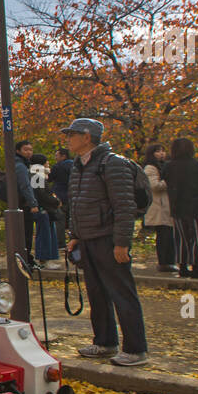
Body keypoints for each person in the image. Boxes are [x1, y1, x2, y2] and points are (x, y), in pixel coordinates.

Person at [62, 117, 148, 366]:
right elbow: (75, 203)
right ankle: (105, 342)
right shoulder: (79, 165)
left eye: (72, 134)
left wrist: (122, 242)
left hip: (108, 239)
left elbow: (124, 205)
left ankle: (135, 348)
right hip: (88, 239)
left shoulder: (113, 164)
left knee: (122, 293)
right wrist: (75, 236)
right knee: (97, 294)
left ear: (87, 137)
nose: (68, 139)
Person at [163, 138, 198, 279]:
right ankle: (196, 267)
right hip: (197, 206)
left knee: (181, 237)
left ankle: (182, 266)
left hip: (177, 206)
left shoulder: (169, 166)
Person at [141, 144, 176, 272]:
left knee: (168, 235)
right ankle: (164, 262)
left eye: (163, 150)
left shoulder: (163, 166)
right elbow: (154, 186)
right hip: (158, 206)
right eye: (158, 151)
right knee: (164, 236)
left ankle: (169, 261)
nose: (161, 153)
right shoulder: (150, 168)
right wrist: (169, 181)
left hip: (164, 205)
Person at [29, 153, 61, 268]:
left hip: (45, 209)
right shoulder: (37, 175)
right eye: (47, 161)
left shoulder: (38, 174)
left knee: (48, 233)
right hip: (43, 209)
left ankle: (49, 258)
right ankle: (45, 259)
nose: (49, 163)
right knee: (44, 234)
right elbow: (40, 194)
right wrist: (55, 201)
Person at [11, 140, 39, 262]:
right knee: (25, 234)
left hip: (20, 203)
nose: (29, 152)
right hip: (23, 204)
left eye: (30, 150)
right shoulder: (20, 165)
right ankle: (26, 260)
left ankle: (26, 259)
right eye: (25, 150)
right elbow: (25, 186)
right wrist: (33, 203)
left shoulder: (22, 163)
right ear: (18, 151)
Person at [48, 148, 73, 249]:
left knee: (59, 220)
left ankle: (60, 243)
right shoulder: (75, 165)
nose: (55, 158)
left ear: (63, 156)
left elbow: (49, 179)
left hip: (60, 196)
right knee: (73, 220)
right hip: (72, 196)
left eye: (57, 155)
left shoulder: (58, 166)